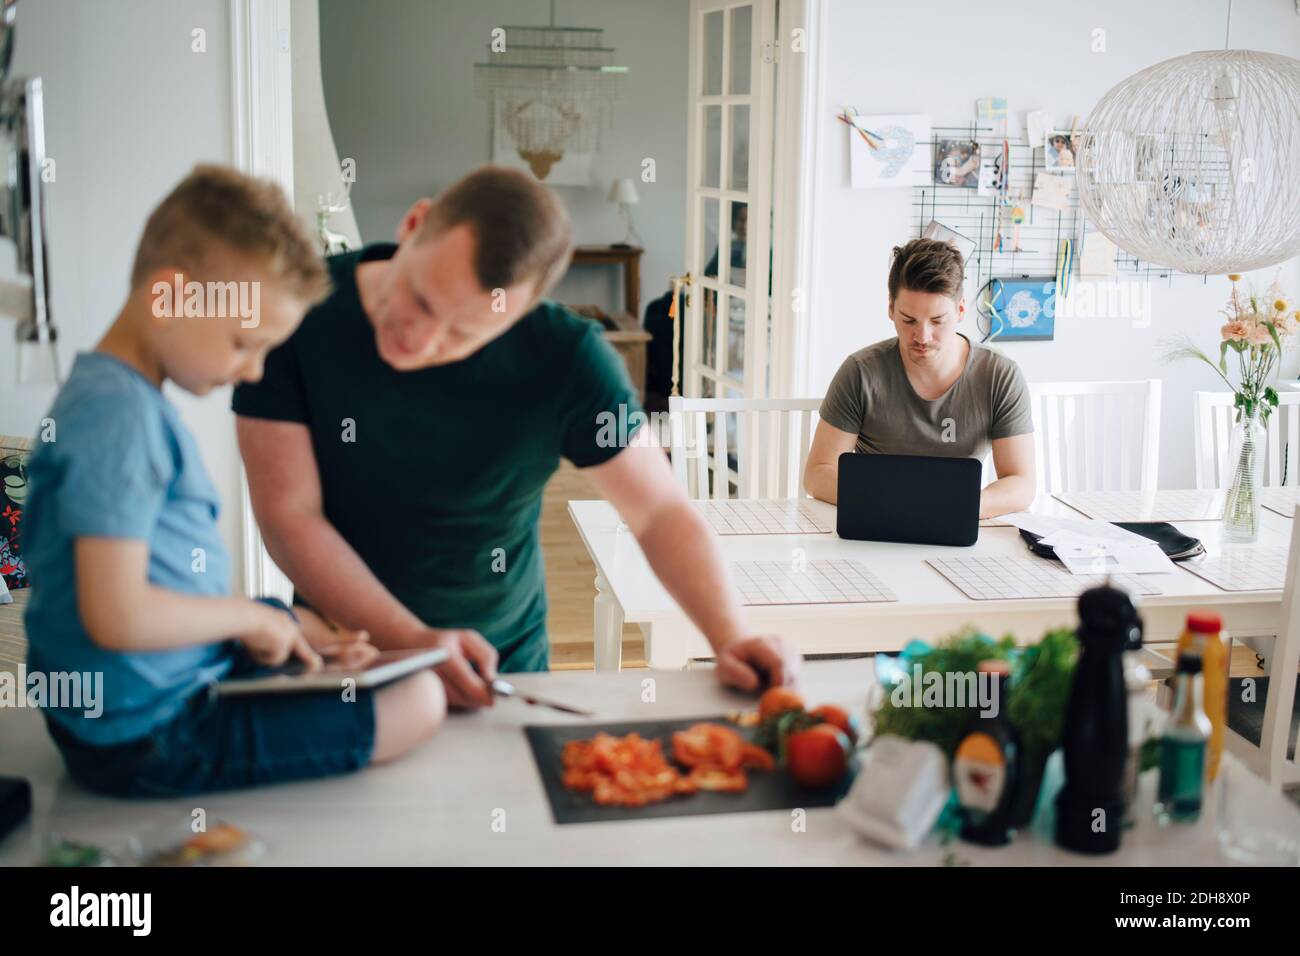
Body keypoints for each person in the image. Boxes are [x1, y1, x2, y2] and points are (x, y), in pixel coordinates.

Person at [233, 165, 800, 707]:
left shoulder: (565, 356)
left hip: (502, 666)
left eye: (463, 333)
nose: (420, 340)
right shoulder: (299, 310)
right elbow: (290, 516)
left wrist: (729, 636)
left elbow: (658, 512)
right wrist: (409, 637)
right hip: (344, 654)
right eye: (420, 299)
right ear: (412, 226)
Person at [22, 165, 447, 797]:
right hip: (149, 734)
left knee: (297, 622)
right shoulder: (120, 417)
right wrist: (248, 621)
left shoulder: (114, 395)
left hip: (134, 698)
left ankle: (302, 647)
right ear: (171, 296)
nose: (253, 372)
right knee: (420, 700)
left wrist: (266, 621)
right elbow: (115, 615)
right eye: (244, 343)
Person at [803, 238, 1036, 518]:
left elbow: (1021, 484)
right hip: (877, 523)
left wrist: (955, 506)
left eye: (938, 321)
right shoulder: (860, 372)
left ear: (961, 310)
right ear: (890, 308)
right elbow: (818, 474)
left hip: (956, 522)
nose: (922, 337)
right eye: (908, 320)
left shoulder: (1000, 376)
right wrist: (896, 502)